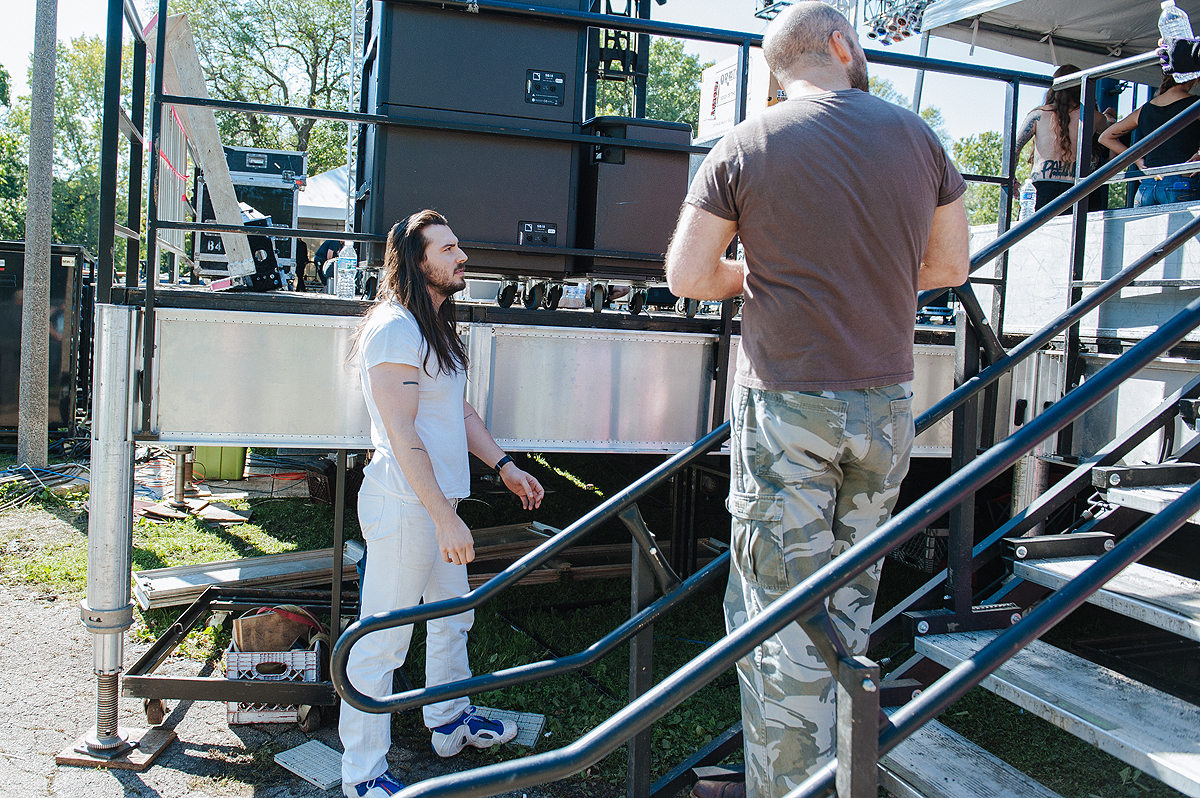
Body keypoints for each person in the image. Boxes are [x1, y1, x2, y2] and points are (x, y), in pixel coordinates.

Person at [664, 4, 969, 798]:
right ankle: (841, 775)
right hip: (886, 407)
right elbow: (949, 267)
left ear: (777, 68)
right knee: (850, 607)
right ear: (840, 44)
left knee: (780, 620)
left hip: (788, 408)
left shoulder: (747, 143)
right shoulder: (921, 139)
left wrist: (768, 273)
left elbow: (688, 276)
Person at [340, 210, 545, 798]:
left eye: (459, 246)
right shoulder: (394, 328)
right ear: (417, 259)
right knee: (382, 641)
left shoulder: (433, 327)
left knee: (453, 618)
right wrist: (443, 516)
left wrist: (504, 467)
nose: (462, 257)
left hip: (436, 504)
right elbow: (401, 432)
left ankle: (450, 722)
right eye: (448, 248)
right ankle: (363, 775)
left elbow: (460, 411)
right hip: (407, 506)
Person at [1014, 64, 1114, 211]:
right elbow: (1114, 136)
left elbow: (1014, 148)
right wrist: (1110, 117)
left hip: (1042, 185)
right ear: (1082, 87)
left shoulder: (1038, 114)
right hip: (1078, 188)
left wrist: (1011, 180)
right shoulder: (1094, 117)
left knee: (1035, 226)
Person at [1099, 72, 1200, 207]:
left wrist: (1136, 159)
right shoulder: (1195, 105)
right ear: (1194, 78)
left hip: (1148, 184)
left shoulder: (1145, 109)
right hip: (1182, 181)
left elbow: (1105, 137)